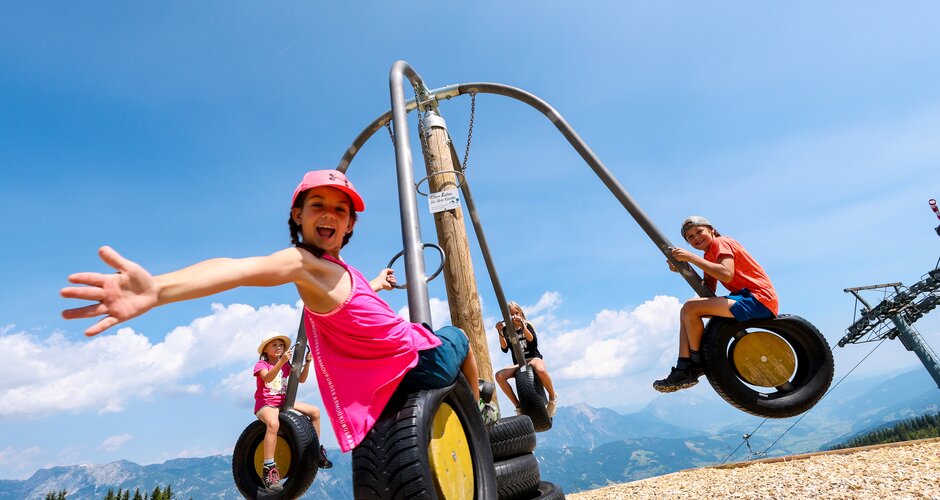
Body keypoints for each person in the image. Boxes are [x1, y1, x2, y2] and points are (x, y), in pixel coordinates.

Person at [60, 169, 498, 459]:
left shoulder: (335, 272)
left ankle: (469, 391)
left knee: (422, 328)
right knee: (457, 335)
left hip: (402, 352)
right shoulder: (302, 264)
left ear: (349, 225)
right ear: (298, 215)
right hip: (421, 362)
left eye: (340, 209)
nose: (329, 213)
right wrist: (159, 288)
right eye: (317, 205)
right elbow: (237, 270)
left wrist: (379, 284)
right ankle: (480, 398)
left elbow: (354, 305)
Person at [653, 216, 779, 393]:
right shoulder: (708, 255)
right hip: (746, 299)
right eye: (690, 237)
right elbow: (707, 291)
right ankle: (683, 367)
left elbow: (726, 273)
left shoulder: (721, 242)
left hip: (758, 299)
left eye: (699, 231)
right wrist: (681, 268)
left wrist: (691, 258)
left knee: (690, 307)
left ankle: (697, 363)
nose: (696, 237)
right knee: (686, 310)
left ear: (711, 230)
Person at [254, 331, 332, 491]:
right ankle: (269, 468)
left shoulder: (286, 365)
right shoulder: (261, 365)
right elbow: (267, 378)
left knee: (315, 412)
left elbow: (301, 380)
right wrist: (281, 362)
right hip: (266, 404)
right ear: (265, 350)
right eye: (274, 345)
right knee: (273, 423)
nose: (278, 347)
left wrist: (307, 363)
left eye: (281, 345)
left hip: (283, 402)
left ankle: (315, 451)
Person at [494, 301, 558, 417]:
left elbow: (533, 342)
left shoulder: (527, 325)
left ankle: (552, 397)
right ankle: (518, 406)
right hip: (519, 362)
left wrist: (522, 326)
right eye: (511, 314)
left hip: (533, 358)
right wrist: (500, 332)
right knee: (499, 376)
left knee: (541, 370)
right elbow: (504, 349)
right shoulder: (506, 330)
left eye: (516, 313)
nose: (514, 316)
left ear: (521, 313)